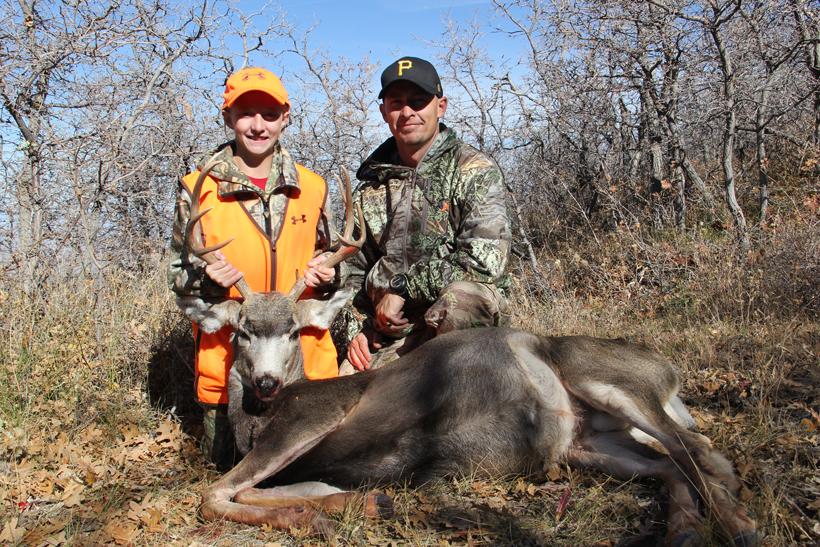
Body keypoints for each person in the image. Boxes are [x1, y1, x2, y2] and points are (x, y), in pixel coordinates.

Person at [168, 67, 339, 469]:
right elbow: (179, 277)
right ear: (228, 117)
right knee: (228, 467)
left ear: (286, 117)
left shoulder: (312, 187)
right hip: (230, 377)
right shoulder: (199, 188)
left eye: (269, 113)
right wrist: (205, 280)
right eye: (246, 113)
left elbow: (338, 270)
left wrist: (330, 278)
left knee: (316, 467)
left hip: (305, 372)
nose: (258, 125)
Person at [340, 56, 511, 373]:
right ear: (384, 112)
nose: (407, 113)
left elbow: (485, 263)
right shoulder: (369, 189)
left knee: (466, 300)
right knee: (342, 389)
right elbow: (350, 275)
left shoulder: (474, 171)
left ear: (440, 106)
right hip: (391, 332)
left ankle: (466, 409)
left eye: (418, 102)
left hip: (451, 322)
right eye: (397, 103)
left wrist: (403, 289)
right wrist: (358, 328)